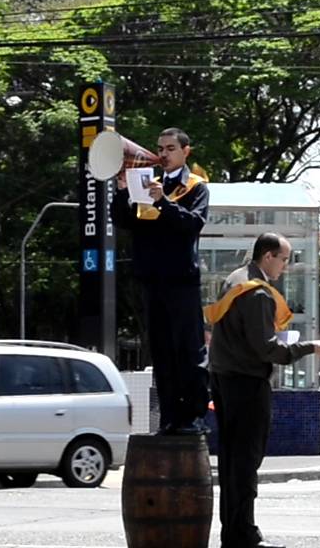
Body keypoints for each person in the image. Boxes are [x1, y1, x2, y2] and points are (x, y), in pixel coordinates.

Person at [204, 232, 320, 548]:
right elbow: (265, 348)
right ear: (268, 257)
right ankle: (244, 535)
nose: (286, 267)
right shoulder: (258, 292)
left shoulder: (235, 279)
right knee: (246, 461)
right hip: (247, 383)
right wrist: (309, 348)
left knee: (232, 461)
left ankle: (234, 533)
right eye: (284, 259)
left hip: (224, 379)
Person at [112, 127, 210, 434]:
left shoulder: (195, 187)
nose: (163, 154)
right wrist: (122, 190)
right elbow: (124, 221)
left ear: (185, 152)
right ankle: (169, 418)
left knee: (189, 351)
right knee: (163, 353)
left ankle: (192, 417)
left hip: (182, 281)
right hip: (152, 281)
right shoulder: (145, 182)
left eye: (169, 148)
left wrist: (162, 203)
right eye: (160, 148)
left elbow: (193, 224)